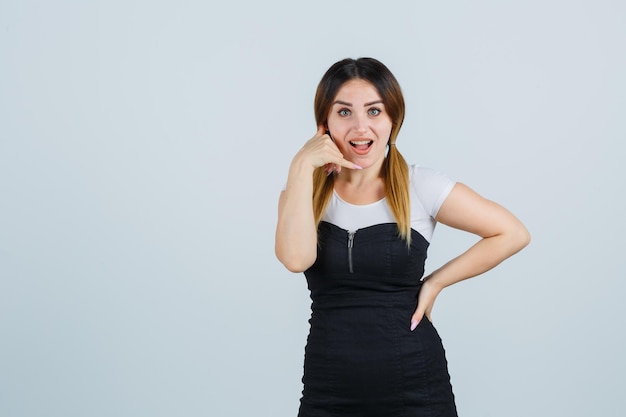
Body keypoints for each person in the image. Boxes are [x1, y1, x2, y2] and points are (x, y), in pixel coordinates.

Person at [275, 57, 530, 417]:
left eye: (374, 111)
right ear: (324, 123)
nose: (361, 126)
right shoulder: (302, 193)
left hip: (415, 386)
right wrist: (301, 166)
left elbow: (512, 232)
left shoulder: (420, 186)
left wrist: (437, 282)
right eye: (344, 112)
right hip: (328, 388)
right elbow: (295, 259)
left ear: (393, 120)